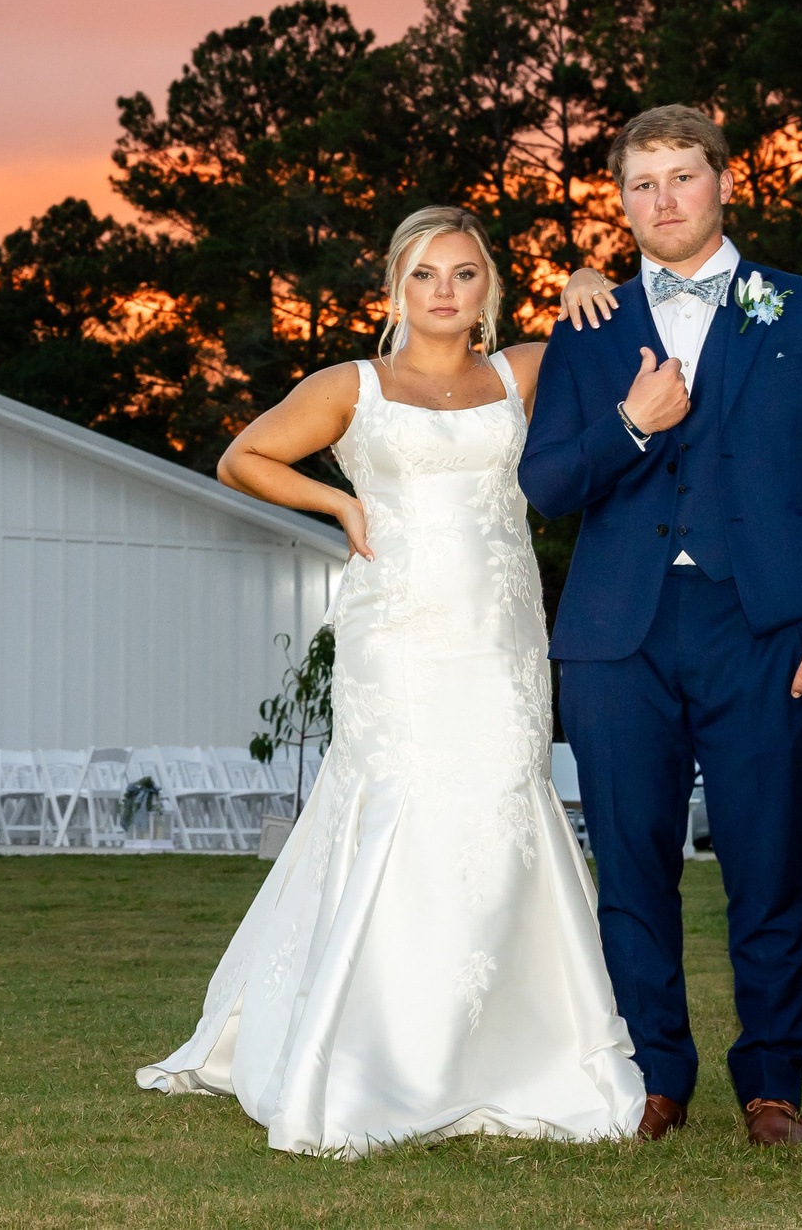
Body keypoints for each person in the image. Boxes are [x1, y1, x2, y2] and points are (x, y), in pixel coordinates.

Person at [137, 205, 645, 1156]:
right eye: (424, 275)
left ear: (490, 287)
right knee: (403, 803)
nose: (444, 291)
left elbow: (638, 351)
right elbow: (242, 456)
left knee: (503, 801)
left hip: (501, 636)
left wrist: (590, 285)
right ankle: (377, 1049)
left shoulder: (526, 370)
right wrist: (337, 501)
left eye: (463, 273)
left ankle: (509, 1049)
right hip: (399, 636)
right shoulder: (352, 385)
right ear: (394, 291)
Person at [522, 106, 802, 1148]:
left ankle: (771, 1085)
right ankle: (652, 1077)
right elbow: (546, 482)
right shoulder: (586, 326)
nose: (664, 198)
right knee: (631, 869)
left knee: (766, 862)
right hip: (617, 635)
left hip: (765, 624)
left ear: (724, 181)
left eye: (682, 175)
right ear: (622, 201)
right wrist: (630, 424)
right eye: (642, 183)